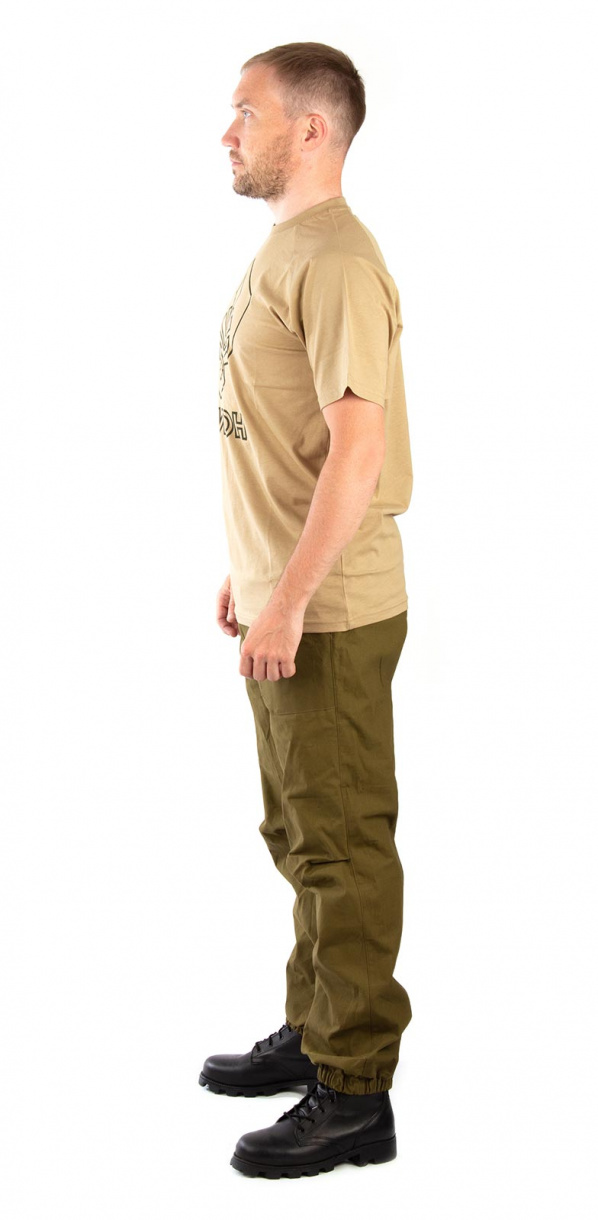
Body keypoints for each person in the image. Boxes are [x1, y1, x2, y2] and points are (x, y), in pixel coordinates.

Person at [199, 41, 414, 1179]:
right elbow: (282, 438)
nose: (226, 133)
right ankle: (313, 1027)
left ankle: (356, 1090)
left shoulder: (334, 260)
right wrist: (252, 571)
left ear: (312, 130)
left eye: (247, 113)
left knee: (341, 847)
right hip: (286, 598)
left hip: (327, 612)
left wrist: (286, 597)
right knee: (298, 834)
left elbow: (356, 452)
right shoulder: (290, 248)